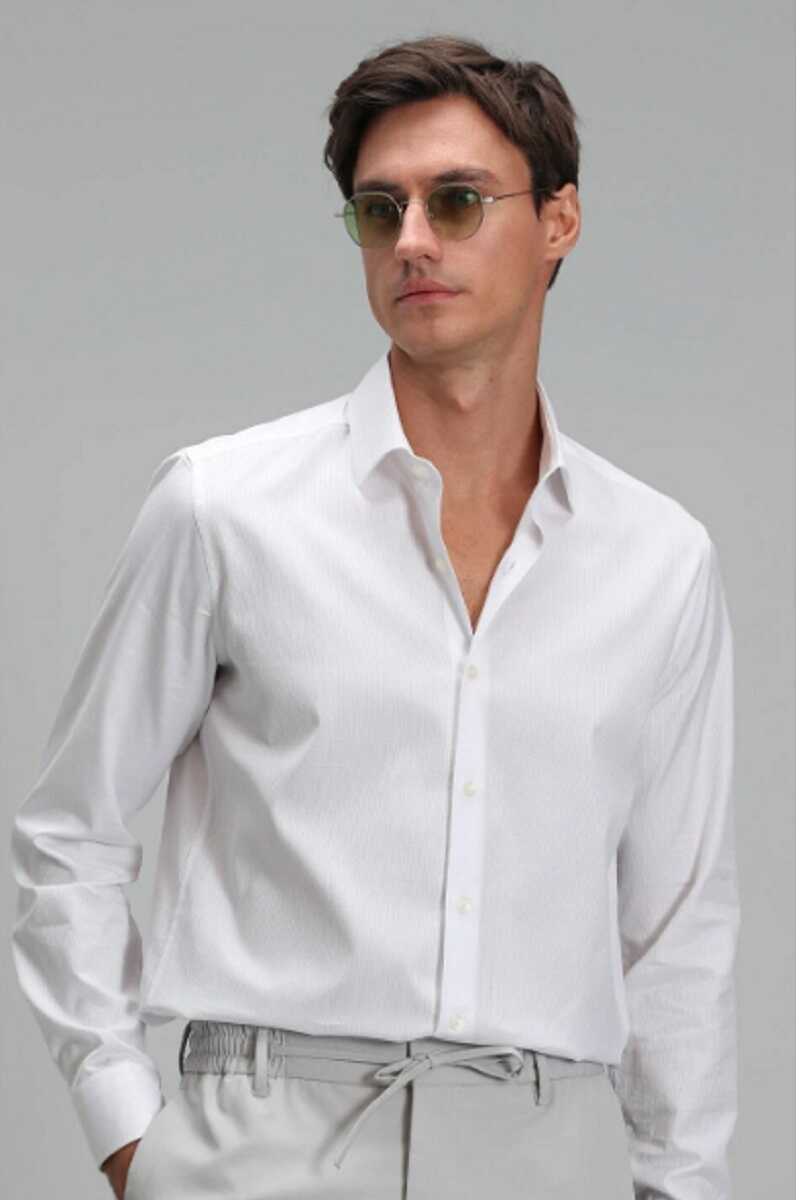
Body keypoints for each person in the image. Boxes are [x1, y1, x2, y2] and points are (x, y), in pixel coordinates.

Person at [10, 32, 740, 1200]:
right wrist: (132, 1138)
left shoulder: (658, 563)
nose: (410, 241)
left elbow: (675, 932)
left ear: (557, 220)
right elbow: (69, 834)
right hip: (259, 1149)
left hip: (544, 1154)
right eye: (377, 209)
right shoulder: (223, 510)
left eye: (456, 201)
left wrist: (682, 1185)